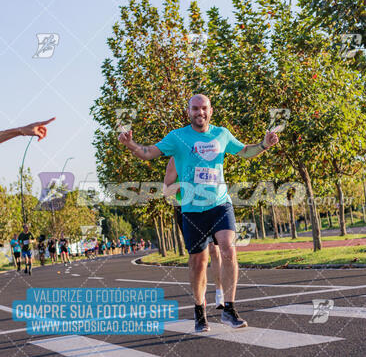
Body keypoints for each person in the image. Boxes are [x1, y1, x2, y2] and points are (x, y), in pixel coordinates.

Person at [119, 94, 278, 332]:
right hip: (192, 210)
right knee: (197, 262)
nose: (200, 112)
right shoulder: (177, 138)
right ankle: (199, 310)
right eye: (195, 109)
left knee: (228, 247)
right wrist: (131, 145)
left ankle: (229, 308)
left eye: (204, 108)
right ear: (189, 111)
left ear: (210, 111)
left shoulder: (222, 134)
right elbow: (149, 153)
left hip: (220, 204)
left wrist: (264, 144)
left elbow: (244, 151)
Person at [164, 156, 224, 309]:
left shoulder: (210, 154)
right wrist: (183, 185)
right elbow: (166, 191)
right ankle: (200, 297)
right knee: (197, 257)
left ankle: (220, 293)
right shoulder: (176, 158)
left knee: (214, 250)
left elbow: (216, 178)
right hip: (186, 209)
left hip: (210, 204)